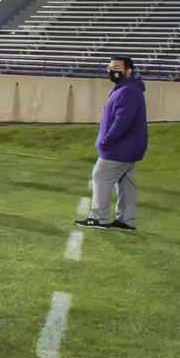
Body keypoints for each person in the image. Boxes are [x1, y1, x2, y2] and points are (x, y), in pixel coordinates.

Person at [79, 56, 145, 232]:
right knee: (125, 183)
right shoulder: (127, 88)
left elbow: (123, 120)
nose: (112, 71)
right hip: (130, 146)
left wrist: (106, 140)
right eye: (110, 67)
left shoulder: (127, 90)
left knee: (100, 176)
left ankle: (98, 218)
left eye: (116, 67)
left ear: (128, 71)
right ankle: (126, 220)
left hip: (120, 146)